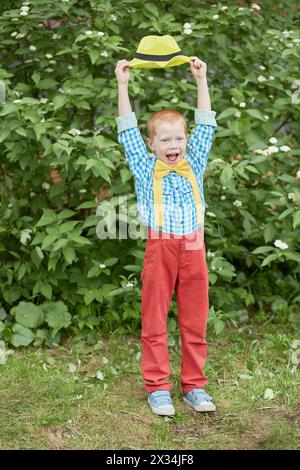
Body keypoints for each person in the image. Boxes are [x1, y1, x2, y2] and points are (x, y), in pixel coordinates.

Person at [114, 57, 217, 416]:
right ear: (152, 143)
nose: (174, 145)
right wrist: (122, 85)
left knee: (194, 318)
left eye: (179, 138)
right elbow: (125, 129)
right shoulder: (144, 167)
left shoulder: (197, 159)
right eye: (166, 140)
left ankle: (195, 386)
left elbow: (206, 123)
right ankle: (158, 388)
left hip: (194, 247)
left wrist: (200, 80)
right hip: (160, 248)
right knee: (155, 318)